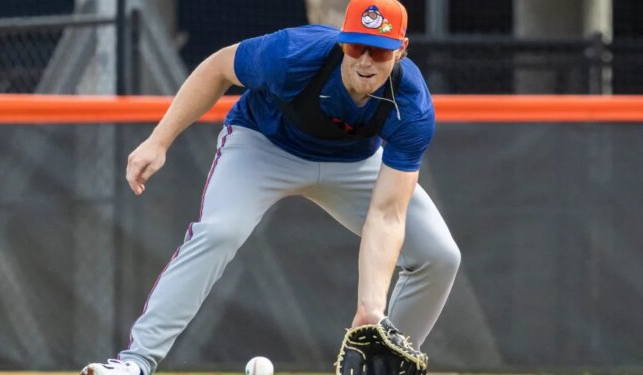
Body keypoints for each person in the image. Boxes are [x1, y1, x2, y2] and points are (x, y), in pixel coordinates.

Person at [82, 0, 460, 374]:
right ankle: (136, 362)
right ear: (342, 42)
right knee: (218, 232)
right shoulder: (294, 53)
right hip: (263, 145)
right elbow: (217, 68)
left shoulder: (412, 106)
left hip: (352, 163)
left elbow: (387, 214)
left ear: (401, 50)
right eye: (356, 46)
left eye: (379, 51)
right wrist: (159, 140)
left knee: (439, 256)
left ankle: (383, 370)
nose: (364, 61)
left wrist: (370, 310)